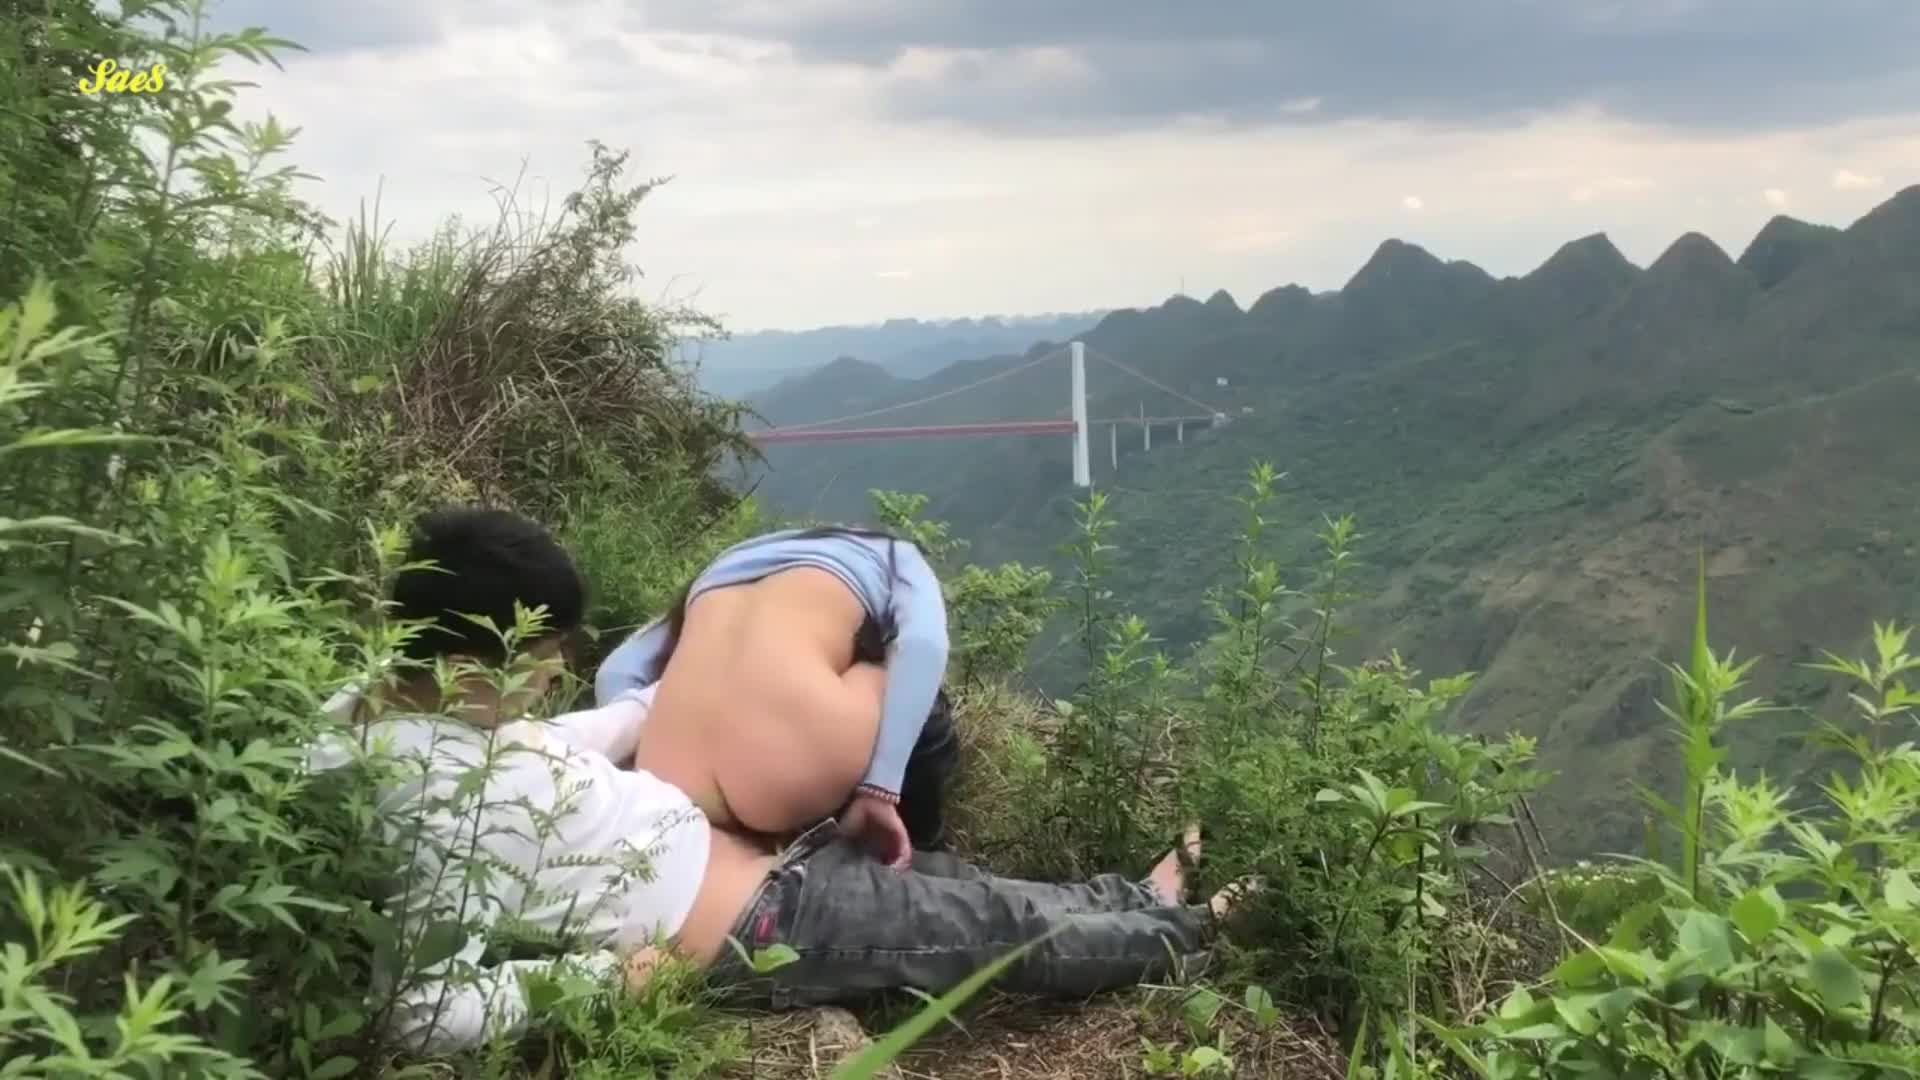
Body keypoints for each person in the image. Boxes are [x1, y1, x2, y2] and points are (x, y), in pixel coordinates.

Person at [318, 507, 1254, 1054]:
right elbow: (419, 1010)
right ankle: (1200, 934)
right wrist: (605, 980)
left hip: (755, 858)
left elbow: (546, 743)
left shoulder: (385, 710)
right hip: (756, 923)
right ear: (480, 661)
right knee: (992, 932)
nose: (558, 675)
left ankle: (1135, 898)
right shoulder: (434, 805)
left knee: (966, 888)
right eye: (544, 660)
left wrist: (649, 709)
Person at [593, 525, 960, 865]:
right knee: (892, 674)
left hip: (669, 777)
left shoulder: (728, 563)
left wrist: (636, 753)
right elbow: (923, 645)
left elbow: (616, 671)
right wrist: (880, 788)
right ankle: (923, 842)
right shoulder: (898, 555)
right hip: (790, 771)